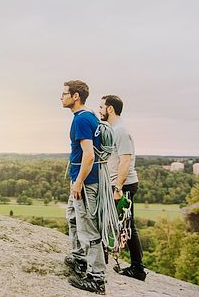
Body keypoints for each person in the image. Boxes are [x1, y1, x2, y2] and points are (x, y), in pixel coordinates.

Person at [61, 80, 106, 294]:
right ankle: (80, 259)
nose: (61, 97)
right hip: (81, 180)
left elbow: (89, 155)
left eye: (64, 94)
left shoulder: (81, 120)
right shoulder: (89, 116)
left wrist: (78, 182)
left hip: (85, 182)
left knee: (88, 228)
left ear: (76, 96)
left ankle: (97, 278)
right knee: (72, 218)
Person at [99, 94, 147, 281]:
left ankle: (137, 268)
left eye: (101, 107)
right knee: (114, 223)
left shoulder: (120, 131)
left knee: (127, 226)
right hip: (118, 184)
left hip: (124, 185)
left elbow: (125, 161)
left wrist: (118, 187)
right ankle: (107, 262)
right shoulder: (114, 129)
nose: (100, 110)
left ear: (110, 109)